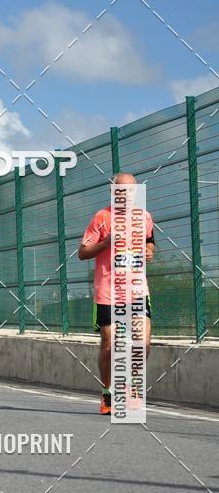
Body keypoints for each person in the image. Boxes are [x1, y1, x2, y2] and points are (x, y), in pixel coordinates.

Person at [78, 173, 155, 414]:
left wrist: (149, 250)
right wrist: (106, 243)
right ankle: (108, 393)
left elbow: (151, 241)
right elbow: (82, 252)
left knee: (142, 342)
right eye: (121, 191)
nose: (126, 195)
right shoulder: (102, 218)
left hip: (137, 290)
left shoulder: (144, 217)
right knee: (110, 345)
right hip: (108, 292)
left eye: (131, 191)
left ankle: (131, 388)